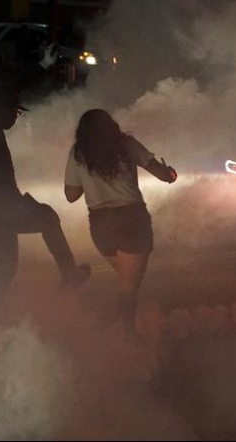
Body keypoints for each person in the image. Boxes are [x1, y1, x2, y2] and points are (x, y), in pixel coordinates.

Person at [0, 51, 90, 301]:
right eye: (15, 112)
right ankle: (69, 275)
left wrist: (42, 65)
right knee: (48, 218)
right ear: (3, 109)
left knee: (7, 267)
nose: (15, 118)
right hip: (0, 208)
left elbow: (8, 90)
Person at [64, 109, 177, 340]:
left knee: (127, 282)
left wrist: (92, 181)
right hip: (131, 218)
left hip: (99, 222)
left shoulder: (78, 153)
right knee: (129, 285)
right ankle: (126, 334)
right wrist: (170, 173)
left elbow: (71, 195)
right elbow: (163, 175)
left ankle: (101, 329)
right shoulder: (126, 145)